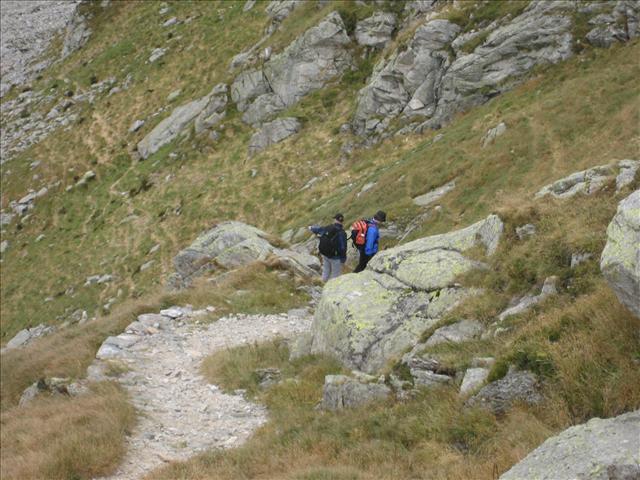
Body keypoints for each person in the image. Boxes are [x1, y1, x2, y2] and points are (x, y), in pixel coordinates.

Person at [308, 213, 347, 282]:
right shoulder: (342, 232)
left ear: (335, 220)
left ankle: (322, 283)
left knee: (326, 271)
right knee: (335, 276)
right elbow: (343, 248)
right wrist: (343, 259)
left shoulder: (328, 227)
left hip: (325, 254)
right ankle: (332, 287)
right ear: (342, 221)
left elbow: (319, 230)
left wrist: (311, 228)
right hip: (335, 257)